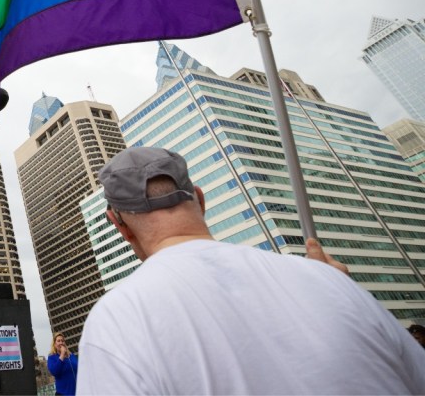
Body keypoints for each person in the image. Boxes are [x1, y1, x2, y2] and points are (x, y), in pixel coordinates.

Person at [77, 146, 425, 395]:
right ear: (199, 198)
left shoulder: (117, 318)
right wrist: (332, 287)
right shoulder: (330, 279)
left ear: (118, 224)